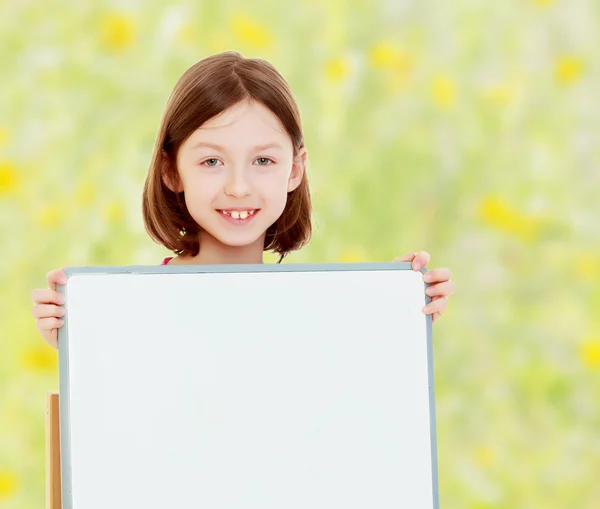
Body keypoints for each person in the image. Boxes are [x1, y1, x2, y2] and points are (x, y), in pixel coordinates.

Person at [30, 51, 456, 350]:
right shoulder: (129, 312)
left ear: (295, 169)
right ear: (171, 170)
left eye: (264, 160)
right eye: (212, 161)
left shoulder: (314, 313)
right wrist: (75, 347)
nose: (238, 187)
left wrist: (399, 320)